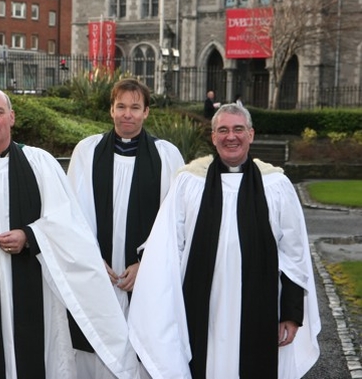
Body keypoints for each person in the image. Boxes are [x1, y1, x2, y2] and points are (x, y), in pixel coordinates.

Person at [0, 88, 138, 379]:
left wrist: (30, 236)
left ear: (12, 117)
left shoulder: (40, 163)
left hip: (35, 295)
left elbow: (67, 223)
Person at [127, 103, 321, 379]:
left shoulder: (275, 185)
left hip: (260, 306)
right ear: (213, 137)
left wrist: (290, 313)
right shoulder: (189, 183)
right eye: (223, 130)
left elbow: (294, 253)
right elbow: (167, 244)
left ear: (251, 135)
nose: (231, 137)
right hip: (201, 304)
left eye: (238, 129)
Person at [67, 78, 184, 378]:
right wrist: (92, 262)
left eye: (135, 107)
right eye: (121, 107)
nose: (127, 114)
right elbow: (72, 214)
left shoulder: (166, 155)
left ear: (146, 112)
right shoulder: (87, 152)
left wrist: (145, 263)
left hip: (146, 277)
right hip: (99, 273)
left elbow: (176, 220)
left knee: (143, 351)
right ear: (111, 110)